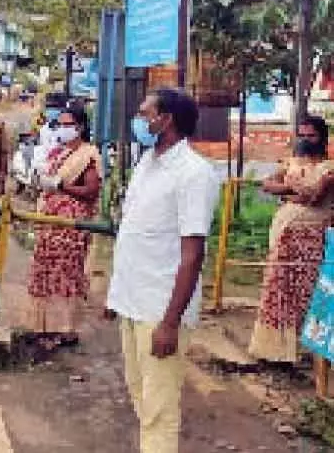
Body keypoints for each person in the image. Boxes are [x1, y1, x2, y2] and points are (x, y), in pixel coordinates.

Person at [106, 88, 220, 453]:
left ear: (165, 119)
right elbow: (135, 234)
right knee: (141, 397)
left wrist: (170, 322)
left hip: (159, 308)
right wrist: (115, 295)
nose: (138, 120)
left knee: (159, 408)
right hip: (132, 300)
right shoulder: (148, 161)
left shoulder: (194, 174)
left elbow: (192, 254)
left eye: (144, 113)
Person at [249, 115, 334, 366]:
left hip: (311, 239)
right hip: (284, 234)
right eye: (302, 135)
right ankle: (274, 350)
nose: (305, 141)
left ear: (323, 139)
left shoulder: (329, 168)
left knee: (306, 292)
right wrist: (292, 190)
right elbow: (267, 184)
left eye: (311, 136)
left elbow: (315, 196)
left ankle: (303, 351)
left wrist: (287, 188)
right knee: (278, 289)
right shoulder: (292, 161)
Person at [27, 104, 101, 347]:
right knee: (45, 271)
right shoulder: (57, 153)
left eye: (68, 124)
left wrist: (61, 186)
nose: (63, 128)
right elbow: (46, 179)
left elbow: (91, 191)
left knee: (65, 274)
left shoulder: (89, 154)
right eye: (60, 124)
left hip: (70, 224)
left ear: (80, 127)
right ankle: (43, 327)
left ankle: (65, 329)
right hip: (48, 222)